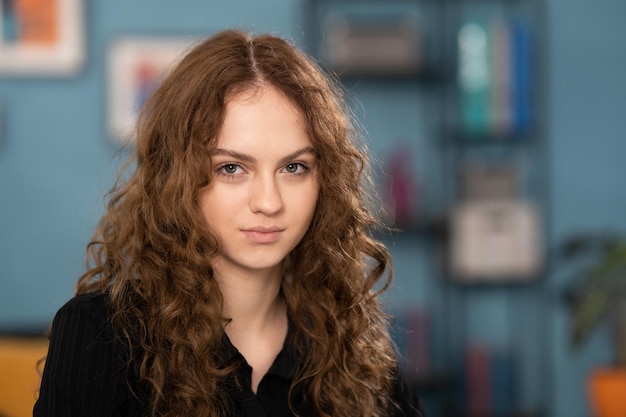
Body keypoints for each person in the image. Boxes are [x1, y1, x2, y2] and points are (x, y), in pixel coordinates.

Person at [34, 29, 425, 417]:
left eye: (294, 167)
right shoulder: (100, 336)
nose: (269, 202)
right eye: (232, 168)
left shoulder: (354, 352)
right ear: (179, 177)